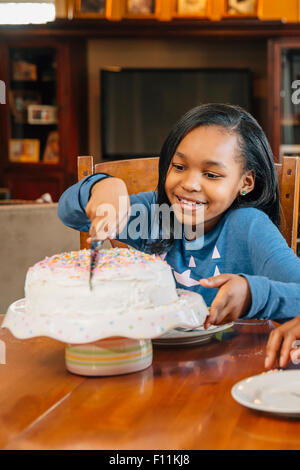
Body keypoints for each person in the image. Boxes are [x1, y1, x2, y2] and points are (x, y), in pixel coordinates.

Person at [58, 103, 300, 331]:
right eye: (179, 167)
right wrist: (104, 187)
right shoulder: (154, 214)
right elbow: (70, 213)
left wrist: (253, 294)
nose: (190, 184)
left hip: (233, 366)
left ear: (245, 182)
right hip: (153, 363)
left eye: (212, 174)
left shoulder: (249, 227)